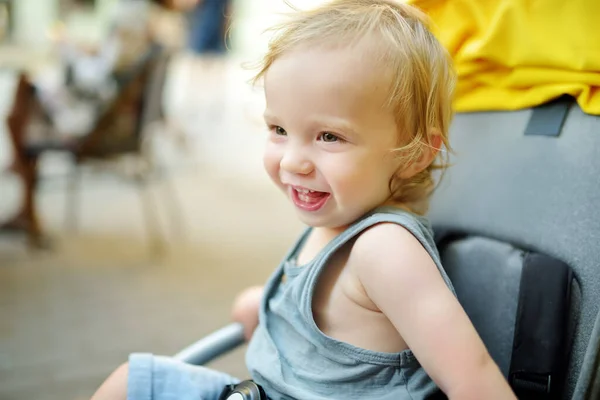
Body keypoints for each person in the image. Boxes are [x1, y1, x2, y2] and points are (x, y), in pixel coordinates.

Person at [90, 1, 517, 399]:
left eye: (329, 136)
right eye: (278, 129)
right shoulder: (333, 223)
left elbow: (473, 378)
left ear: (414, 155)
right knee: (132, 383)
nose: (293, 161)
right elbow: (341, 320)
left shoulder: (385, 249)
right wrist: (268, 303)